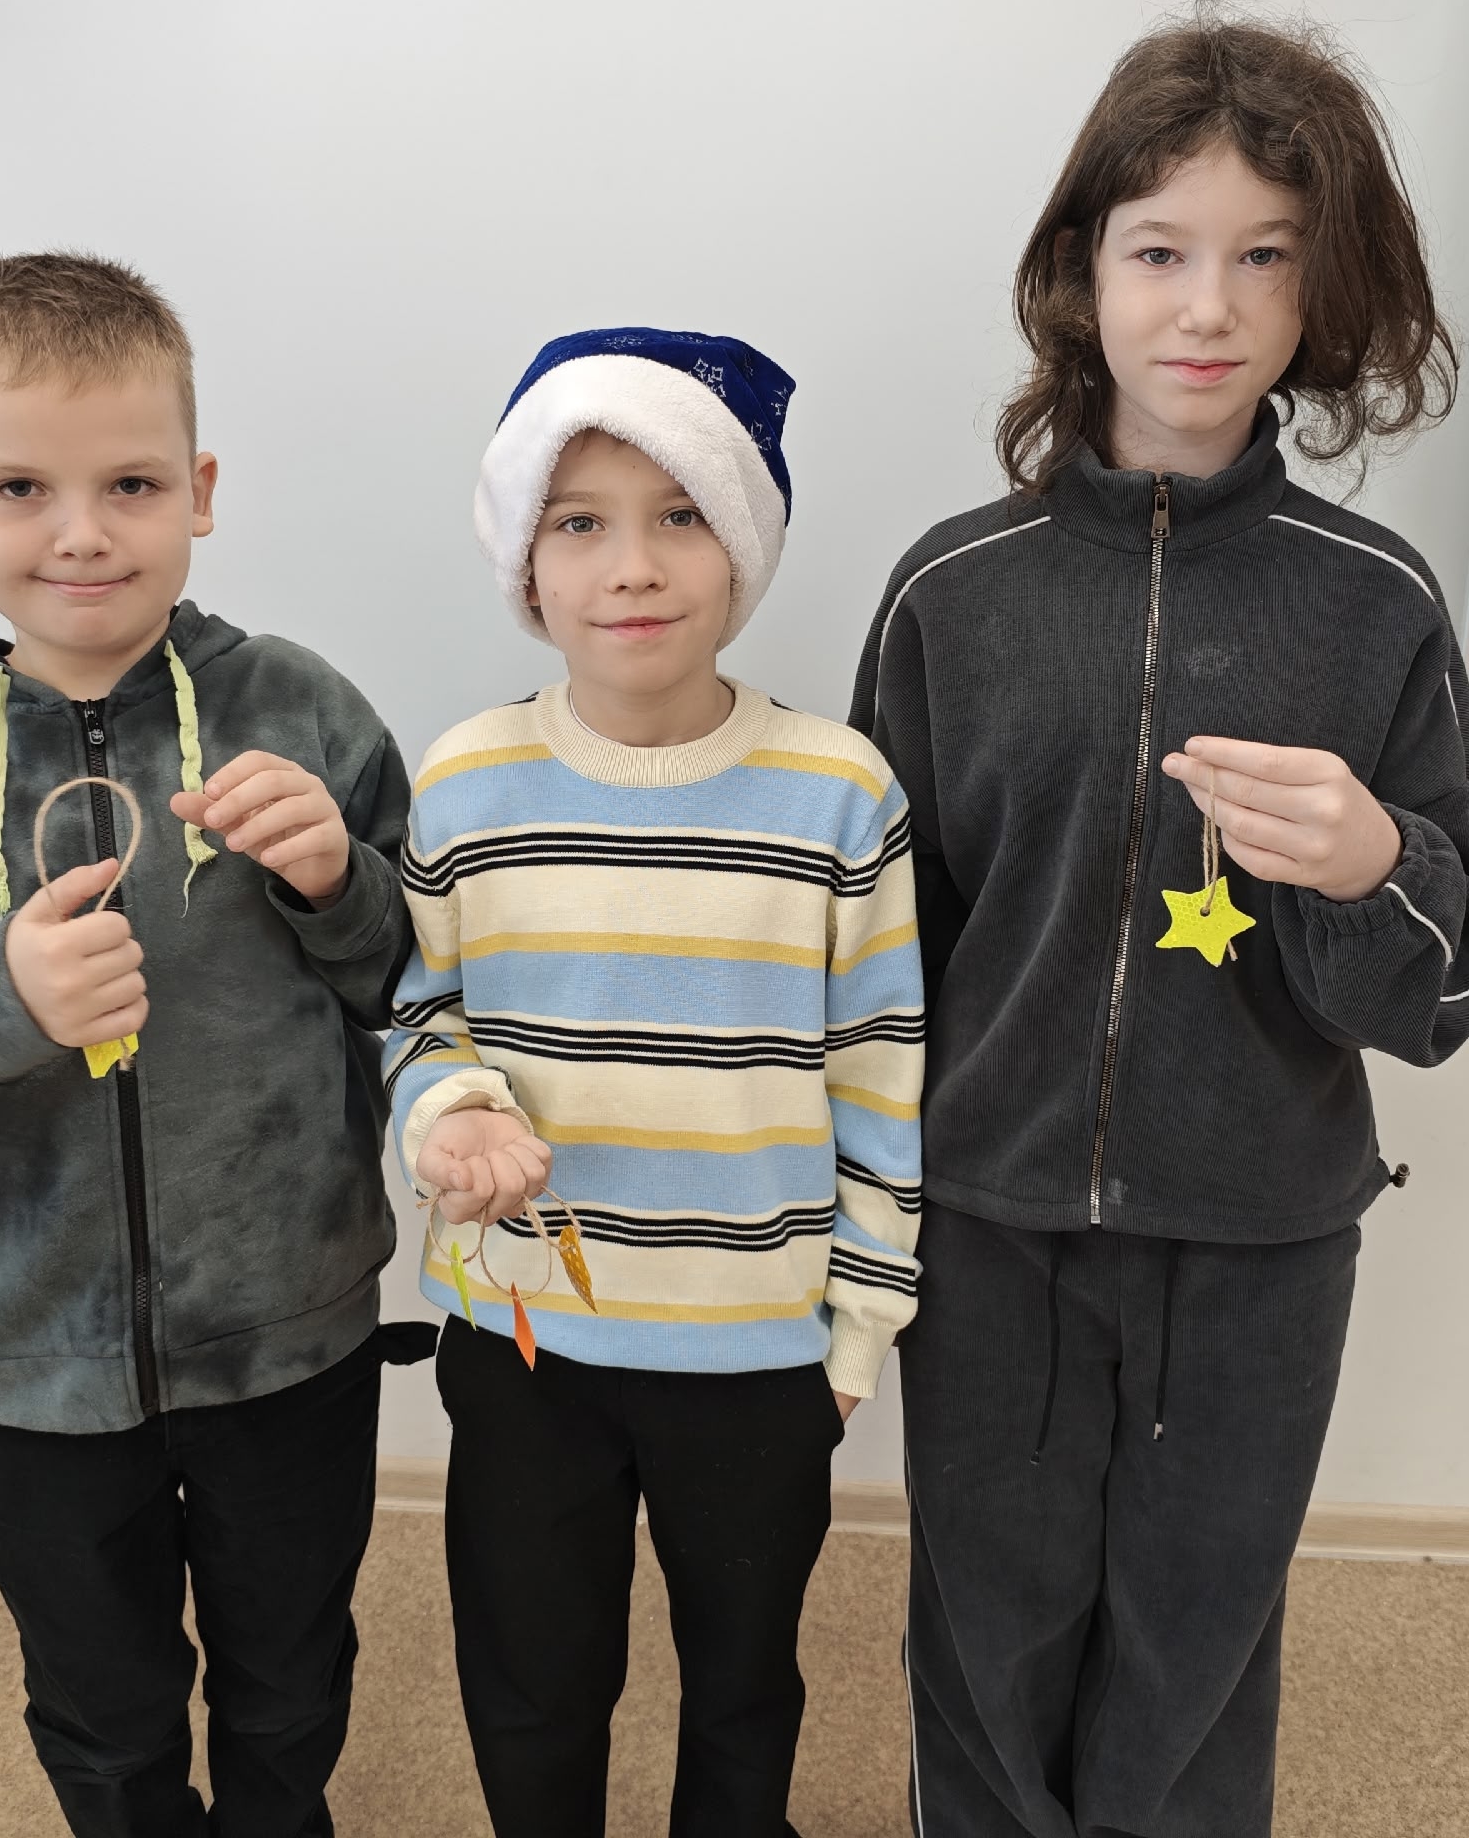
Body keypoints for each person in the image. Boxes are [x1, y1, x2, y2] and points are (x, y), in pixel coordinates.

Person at [850, 14, 1469, 1837]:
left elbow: (1456, 978)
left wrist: (1372, 860)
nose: (1208, 308)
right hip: (989, 1225)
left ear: (1324, 286)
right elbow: (874, 946)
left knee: (1199, 1638)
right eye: (1160, 251)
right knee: (986, 1630)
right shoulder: (951, 594)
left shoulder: (1373, 602)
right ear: (1084, 271)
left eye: (1265, 256)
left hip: (1260, 1243)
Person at [0, 251, 419, 1838]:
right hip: (24, 1358)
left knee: (293, 1671)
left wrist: (341, 885)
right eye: (21, 487)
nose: (84, 532)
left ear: (201, 490)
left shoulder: (302, 710)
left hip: (291, 1335)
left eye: (132, 484)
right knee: (102, 1705)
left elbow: (420, 988)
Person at [385, 328, 924, 1837]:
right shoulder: (465, 781)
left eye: (680, 514)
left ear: (741, 544)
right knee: (534, 1677)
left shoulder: (838, 791)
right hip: (525, 1339)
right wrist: (451, 1110)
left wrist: (859, 1325)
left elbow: (883, 1069)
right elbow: (419, 1011)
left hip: (758, 1350)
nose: (632, 566)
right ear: (528, 561)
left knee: (743, 1681)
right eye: (581, 522)